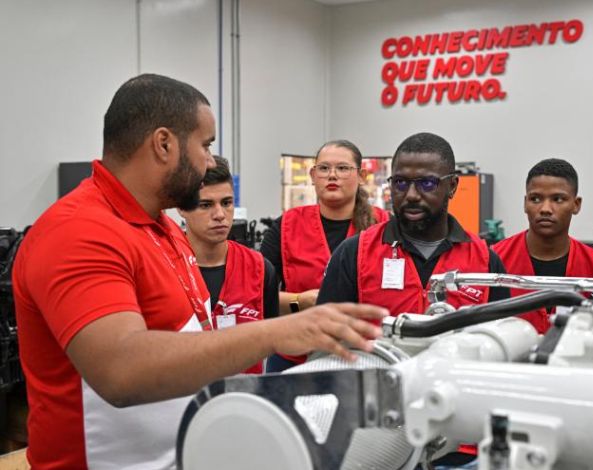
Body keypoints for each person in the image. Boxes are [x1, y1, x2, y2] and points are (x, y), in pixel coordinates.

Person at [12, 74, 387, 469]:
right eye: (205, 145)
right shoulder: (80, 231)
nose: (209, 161)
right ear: (164, 144)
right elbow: (121, 371)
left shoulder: (162, 229)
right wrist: (278, 330)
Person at [318, 132, 511, 312]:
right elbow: (325, 337)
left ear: (452, 186)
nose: (411, 195)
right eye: (400, 182)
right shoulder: (353, 254)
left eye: (427, 183)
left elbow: (502, 339)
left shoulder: (485, 262)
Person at [260, 139, 389, 370]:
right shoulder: (286, 226)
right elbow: (258, 296)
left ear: (362, 176)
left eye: (342, 168)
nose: (332, 175)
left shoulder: (385, 226)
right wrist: (299, 301)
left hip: (366, 357)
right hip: (295, 357)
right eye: (324, 168)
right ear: (312, 175)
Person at [178, 155, 278, 374]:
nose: (220, 215)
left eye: (226, 203)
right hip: (182, 399)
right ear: (182, 209)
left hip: (243, 399)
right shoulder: (164, 268)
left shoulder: (260, 269)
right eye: (205, 205)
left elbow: (268, 344)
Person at [492, 158, 593, 333]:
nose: (545, 208)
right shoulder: (495, 260)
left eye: (558, 199)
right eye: (535, 199)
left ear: (576, 205)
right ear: (525, 203)